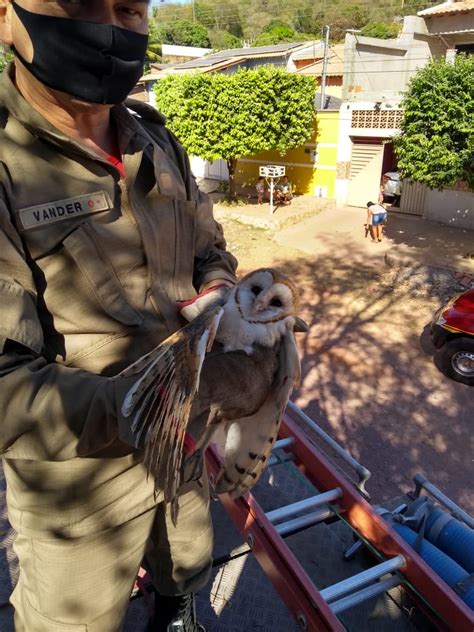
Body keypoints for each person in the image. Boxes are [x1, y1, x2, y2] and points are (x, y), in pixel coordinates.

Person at [0, 2, 237, 631]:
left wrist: (222, 292)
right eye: (79, 4)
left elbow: (210, 247)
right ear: (5, 16)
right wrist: (142, 405)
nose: (109, 28)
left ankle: (178, 611)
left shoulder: (155, 138)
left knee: (187, 561)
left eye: (130, 9)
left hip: (182, 445)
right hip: (80, 494)